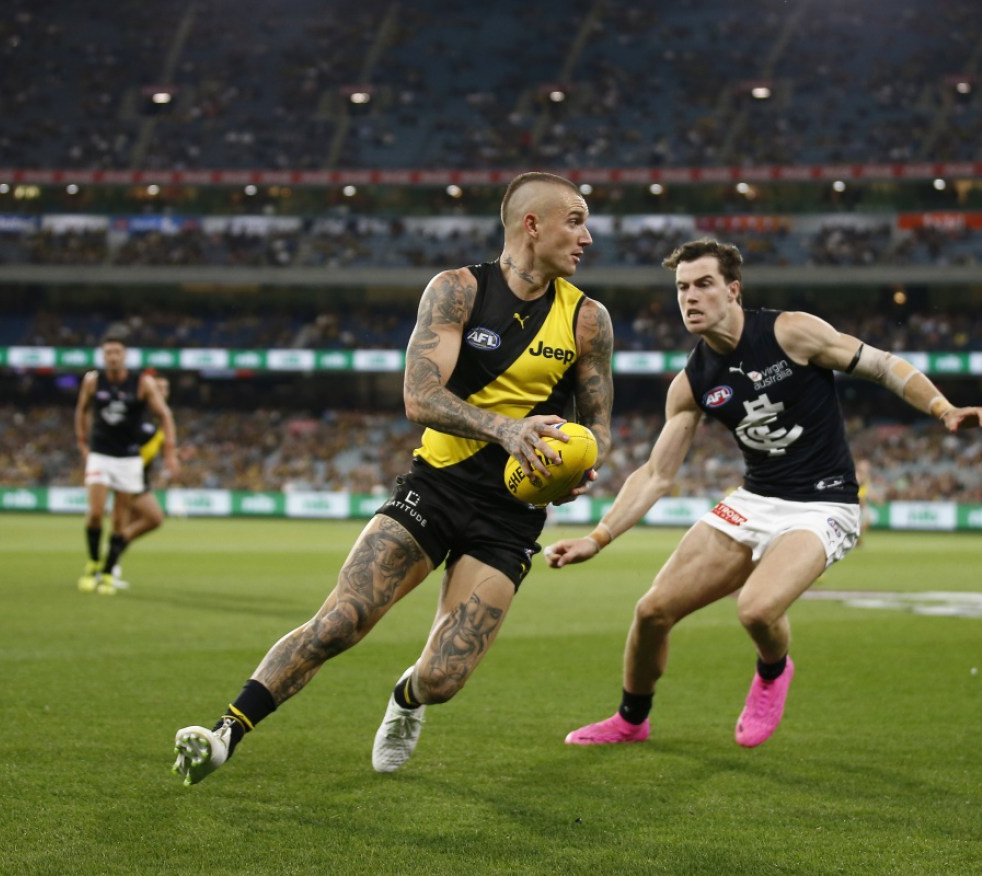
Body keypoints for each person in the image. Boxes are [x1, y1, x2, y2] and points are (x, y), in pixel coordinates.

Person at [171, 171, 614, 785]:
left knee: (443, 679)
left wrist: (582, 466)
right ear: (530, 224)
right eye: (576, 220)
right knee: (338, 622)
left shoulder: (589, 321)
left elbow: (598, 424)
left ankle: (407, 698)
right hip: (435, 487)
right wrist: (507, 430)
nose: (588, 236)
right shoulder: (457, 291)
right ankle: (224, 733)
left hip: (510, 516)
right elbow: (420, 395)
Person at [546, 238, 982, 748]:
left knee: (757, 609)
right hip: (755, 499)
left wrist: (942, 409)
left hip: (825, 502)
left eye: (703, 285)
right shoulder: (692, 382)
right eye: (681, 288)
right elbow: (655, 474)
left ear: (733, 290)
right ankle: (631, 720)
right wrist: (598, 537)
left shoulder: (791, 332)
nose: (689, 297)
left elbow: (881, 364)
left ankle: (773, 671)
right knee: (652, 611)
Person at [75, 337, 180, 595]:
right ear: (102, 355)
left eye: (117, 352)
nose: (113, 356)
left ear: (125, 355)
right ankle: (92, 564)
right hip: (100, 453)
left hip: (128, 459)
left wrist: (170, 452)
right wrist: (81, 442)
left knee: (120, 520)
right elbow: (81, 410)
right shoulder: (92, 381)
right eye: (108, 352)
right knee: (96, 512)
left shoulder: (141, 383)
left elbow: (165, 414)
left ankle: (108, 573)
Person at [108, 373, 174, 590]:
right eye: (158, 388)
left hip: (139, 477)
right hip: (128, 476)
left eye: (165, 388)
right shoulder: (140, 416)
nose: (161, 392)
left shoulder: (161, 419)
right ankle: (110, 560)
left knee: (126, 525)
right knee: (154, 518)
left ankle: (110, 565)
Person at [854, 458, 874, 545]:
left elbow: (867, 490)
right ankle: (856, 539)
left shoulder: (866, 477)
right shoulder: (857, 475)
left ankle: (857, 538)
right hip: (857, 503)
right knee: (860, 522)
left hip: (863, 503)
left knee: (867, 521)